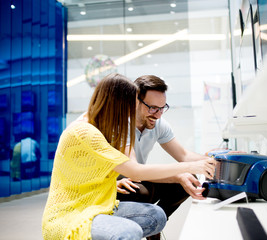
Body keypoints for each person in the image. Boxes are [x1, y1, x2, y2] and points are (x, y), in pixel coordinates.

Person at [41, 73, 216, 240]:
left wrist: (208, 161)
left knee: (157, 217)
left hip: (100, 202)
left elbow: (182, 155)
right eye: (131, 107)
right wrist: (187, 168)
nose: (132, 114)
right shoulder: (85, 132)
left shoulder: (103, 127)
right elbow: (135, 171)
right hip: (72, 214)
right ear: (117, 105)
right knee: (129, 232)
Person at [116, 75, 213, 239]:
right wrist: (178, 174)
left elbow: (183, 155)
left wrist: (214, 160)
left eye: (162, 108)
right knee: (140, 191)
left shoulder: (158, 123)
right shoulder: (120, 124)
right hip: (118, 183)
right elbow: (133, 171)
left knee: (189, 179)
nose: (158, 115)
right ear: (135, 101)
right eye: (153, 108)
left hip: (138, 177)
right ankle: (148, 224)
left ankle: (154, 226)